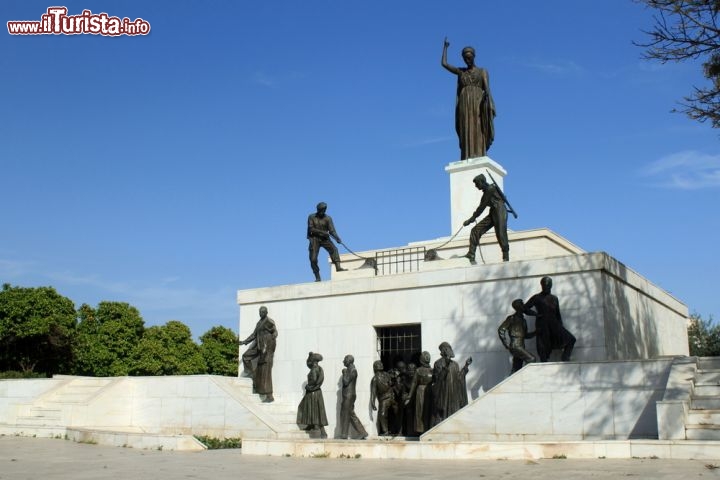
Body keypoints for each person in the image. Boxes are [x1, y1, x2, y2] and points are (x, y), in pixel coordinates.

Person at [441, 38, 495, 160]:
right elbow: (444, 64)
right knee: (466, 126)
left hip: (478, 102)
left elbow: (487, 89)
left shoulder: (482, 71)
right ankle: (466, 154)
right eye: (465, 58)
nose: (467, 60)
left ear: (474, 56)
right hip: (464, 103)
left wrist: (488, 101)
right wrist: (445, 48)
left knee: (478, 126)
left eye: (469, 57)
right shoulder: (461, 72)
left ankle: (479, 153)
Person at [524, 276, 576, 362]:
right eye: (544, 285)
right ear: (542, 285)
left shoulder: (554, 298)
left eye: (548, 285)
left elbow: (557, 313)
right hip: (542, 323)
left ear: (551, 286)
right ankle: (544, 362)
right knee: (543, 345)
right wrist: (536, 314)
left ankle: (565, 357)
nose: (546, 287)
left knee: (571, 339)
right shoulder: (537, 297)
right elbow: (525, 308)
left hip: (554, 323)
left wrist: (561, 326)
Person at [463, 173, 509, 263]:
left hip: (500, 210)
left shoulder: (490, 189)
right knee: (475, 230)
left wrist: (471, 219)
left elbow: (481, 207)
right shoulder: (488, 190)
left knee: (500, 233)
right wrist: (472, 218)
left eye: (477, 184)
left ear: (482, 182)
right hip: (493, 211)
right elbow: (482, 206)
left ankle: (506, 256)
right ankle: (471, 254)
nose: (476, 186)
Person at [239, 306, 278, 402]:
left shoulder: (269, 321)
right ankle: (252, 374)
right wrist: (244, 342)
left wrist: (270, 342)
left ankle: (269, 395)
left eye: (263, 312)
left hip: (266, 349)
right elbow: (254, 335)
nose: (261, 313)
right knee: (246, 356)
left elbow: (275, 332)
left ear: (266, 312)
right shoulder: (259, 323)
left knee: (265, 372)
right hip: (258, 347)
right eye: (260, 312)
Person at [431, 342, 471, 426]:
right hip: (444, 395)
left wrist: (466, 366)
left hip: (454, 395)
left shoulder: (455, 364)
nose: (450, 350)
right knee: (443, 417)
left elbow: (459, 378)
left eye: (450, 348)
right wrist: (446, 366)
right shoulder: (438, 363)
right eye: (448, 348)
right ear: (444, 350)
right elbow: (437, 379)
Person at [307, 202, 346, 282]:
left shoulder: (328, 218)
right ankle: (317, 276)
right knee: (313, 259)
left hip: (325, 239)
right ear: (318, 210)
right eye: (321, 210)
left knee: (334, 249)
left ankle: (338, 267)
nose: (323, 211)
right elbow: (311, 229)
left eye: (324, 210)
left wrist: (337, 238)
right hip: (315, 239)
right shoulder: (311, 217)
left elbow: (332, 230)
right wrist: (322, 232)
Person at [498, 299, 536, 374]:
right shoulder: (511, 318)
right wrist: (506, 344)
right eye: (522, 305)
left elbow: (526, 335)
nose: (524, 306)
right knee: (531, 359)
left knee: (516, 369)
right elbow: (501, 330)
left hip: (521, 345)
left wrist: (536, 332)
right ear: (518, 307)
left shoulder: (523, 320)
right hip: (515, 346)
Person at [297, 352, 328, 438]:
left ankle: (320, 430)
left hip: (313, 392)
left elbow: (314, 380)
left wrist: (308, 386)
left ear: (313, 361)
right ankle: (311, 424)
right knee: (314, 410)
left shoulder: (314, 369)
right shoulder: (318, 368)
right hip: (315, 392)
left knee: (314, 411)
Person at [337, 355, 368, 440]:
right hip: (348, 395)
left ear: (349, 361)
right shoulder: (350, 370)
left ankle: (344, 434)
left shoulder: (353, 371)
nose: (343, 361)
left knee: (346, 414)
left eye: (344, 360)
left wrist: (344, 373)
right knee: (349, 414)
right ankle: (362, 432)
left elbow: (346, 382)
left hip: (349, 395)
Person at [404, 351, 433, 435]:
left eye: (428, 357)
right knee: (420, 410)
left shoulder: (432, 370)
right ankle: (421, 429)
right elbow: (414, 383)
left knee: (429, 410)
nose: (427, 358)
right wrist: (409, 396)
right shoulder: (418, 370)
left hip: (430, 391)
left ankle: (429, 428)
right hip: (421, 391)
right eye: (425, 357)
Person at [370, 360, 398, 436]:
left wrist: (392, 380)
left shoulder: (386, 374)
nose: (381, 364)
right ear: (375, 367)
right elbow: (373, 392)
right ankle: (385, 431)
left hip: (392, 395)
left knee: (396, 412)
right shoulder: (375, 379)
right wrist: (372, 402)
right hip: (384, 398)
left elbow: (391, 383)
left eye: (381, 363)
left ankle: (397, 430)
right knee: (382, 414)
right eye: (379, 364)